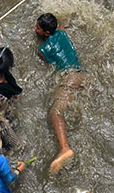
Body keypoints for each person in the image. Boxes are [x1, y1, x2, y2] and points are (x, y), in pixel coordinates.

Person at [35, 12, 85, 173]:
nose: (34, 29)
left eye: (38, 27)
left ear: (47, 33)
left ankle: (64, 148)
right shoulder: (62, 32)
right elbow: (63, 23)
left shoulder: (42, 49)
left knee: (55, 112)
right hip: (84, 76)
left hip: (70, 78)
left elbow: (47, 64)